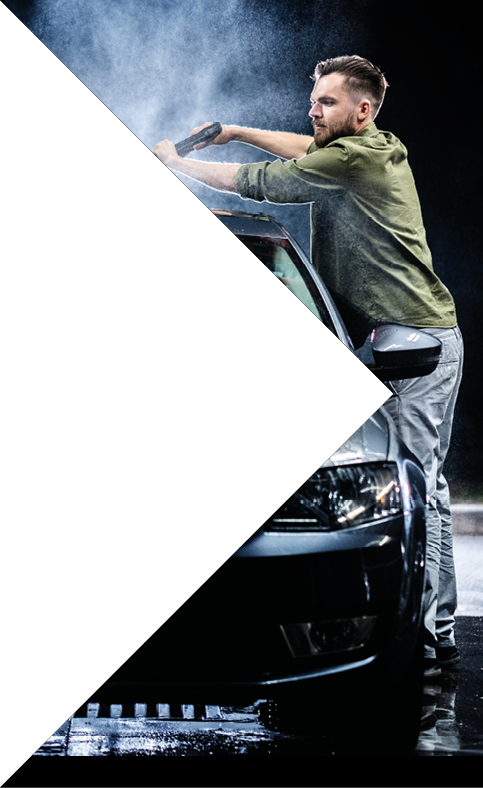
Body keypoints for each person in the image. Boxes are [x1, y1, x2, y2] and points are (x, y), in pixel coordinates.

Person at [153, 55, 463, 677]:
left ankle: (422, 639)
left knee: (416, 488)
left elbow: (268, 181)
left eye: (325, 102)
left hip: (415, 341)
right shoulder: (367, 147)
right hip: (379, 337)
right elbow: (301, 148)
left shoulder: (356, 160)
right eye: (314, 100)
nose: (312, 110)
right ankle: (439, 629)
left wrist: (178, 165)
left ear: (362, 110)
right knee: (428, 486)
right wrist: (236, 129)